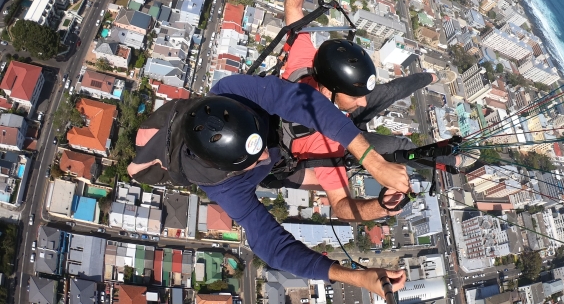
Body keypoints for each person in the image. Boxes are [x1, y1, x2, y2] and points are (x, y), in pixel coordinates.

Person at [128, 74, 406, 297]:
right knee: (308, 174)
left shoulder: (231, 91)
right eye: (253, 158)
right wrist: (355, 276)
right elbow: (271, 245)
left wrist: (373, 161)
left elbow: (301, 100)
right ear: (230, 168)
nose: (264, 157)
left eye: (259, 145)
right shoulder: (225, 187)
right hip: (285, 161)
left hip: (278, 127)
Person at [269, 0, 463, 221]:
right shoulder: (325, 147)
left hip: (333, 114)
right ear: (331, 89)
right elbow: (341, 206)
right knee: (400, 147)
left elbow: (293, 8)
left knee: (388, 92)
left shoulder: (304, 67)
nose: (361, 101)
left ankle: (428, 77)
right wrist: (380, 206)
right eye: (355, 94)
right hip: (325, 137)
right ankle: (449, 160)